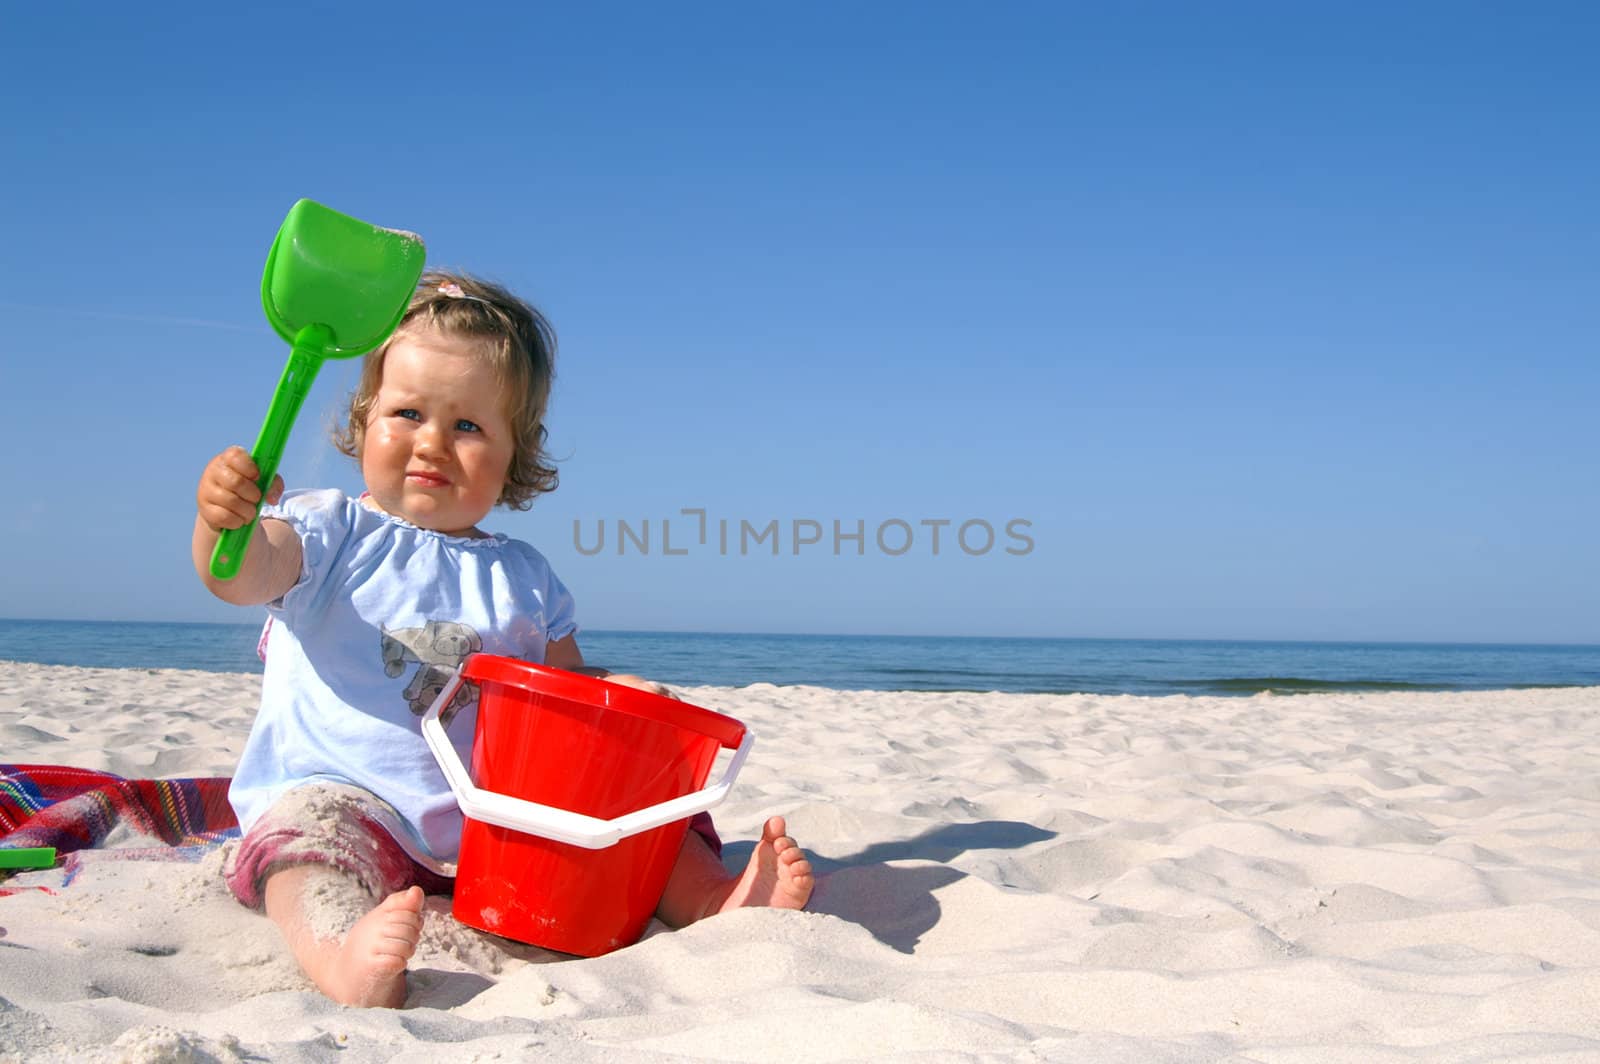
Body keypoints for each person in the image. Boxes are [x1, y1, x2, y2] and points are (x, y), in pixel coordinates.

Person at [193, 271, 812, 1008]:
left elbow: (573, 703)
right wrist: (223, 526)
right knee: (303, 858)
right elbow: (240, 575)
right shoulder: (332, 530)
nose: (432, 443)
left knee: (631, 812)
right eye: (407, 413)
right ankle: (342, 957)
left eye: (467, 426)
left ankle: (713, 900)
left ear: (516, 454)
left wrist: (621, 700)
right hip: (352, 801)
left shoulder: (524, 576)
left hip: (493, 828)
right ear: (364, 419)